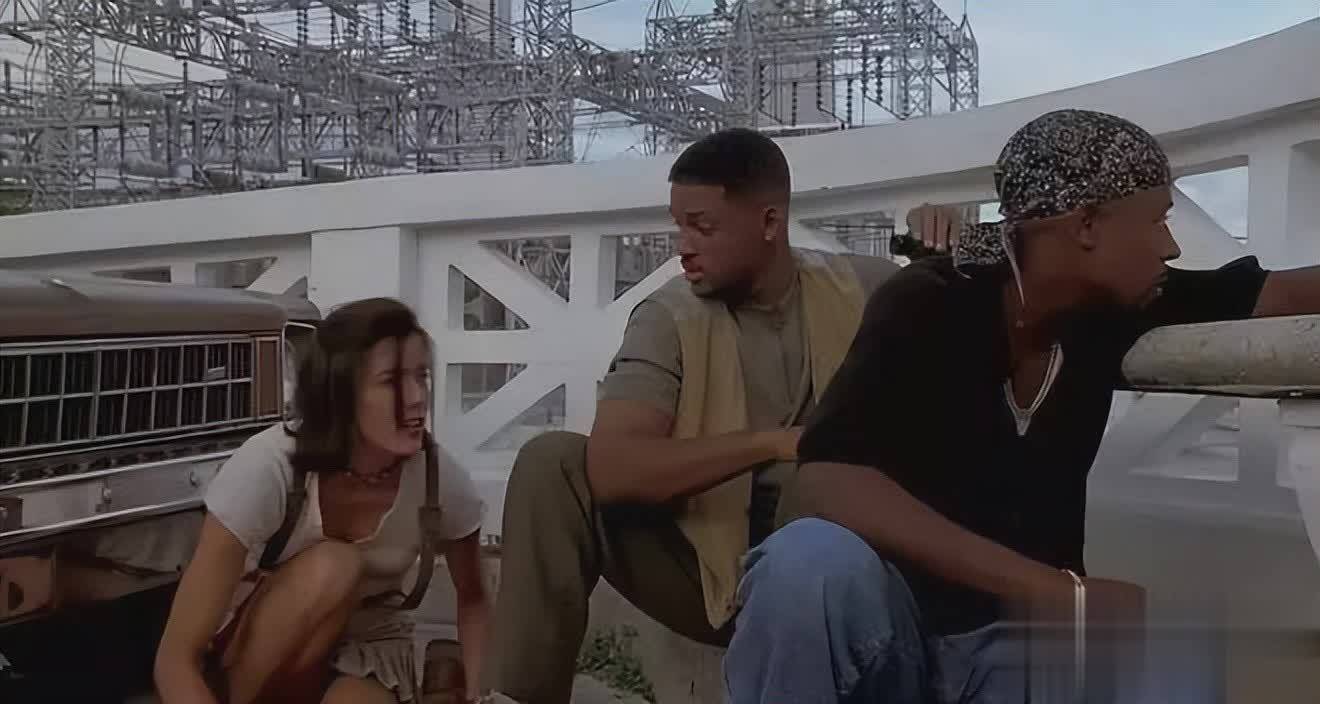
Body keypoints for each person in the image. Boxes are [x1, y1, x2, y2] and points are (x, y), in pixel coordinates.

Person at [723, 108, 1320, 703]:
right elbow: (831, 476)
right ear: (1086, 225)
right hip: (900, 637)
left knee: (1171, 661)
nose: (1170, 245)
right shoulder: (931, 300)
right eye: (1158, 219)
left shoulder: (1118, 302)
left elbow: (1278, 291)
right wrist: (1054, 591)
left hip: (1018, 653)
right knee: (804, 567)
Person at [480, 127, 899, 703]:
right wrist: (769, 443)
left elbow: (979, 322)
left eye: (703, 227)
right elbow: (614, 468)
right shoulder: (668, 317)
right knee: (551, 465)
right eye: (679, 226)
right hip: (706, 566)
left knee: (821, 487)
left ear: (770, 222)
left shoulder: (862, 288)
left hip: (832, 572)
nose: (684, 246)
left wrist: (946, 245)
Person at [154, 298, 490, 704]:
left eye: (422, 376)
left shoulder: (438, 477)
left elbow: (474, 597)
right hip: (255, 656)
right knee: (335, 566)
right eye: (391, 381)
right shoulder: (268, 466)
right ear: (340, 394)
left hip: (365, 649)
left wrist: (480, 695)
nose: (417, 397)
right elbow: (174, 661)